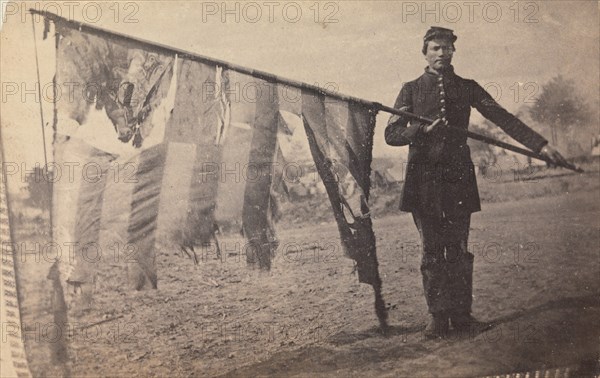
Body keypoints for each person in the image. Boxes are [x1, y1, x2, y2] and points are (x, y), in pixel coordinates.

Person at [385, 27, 568, 339]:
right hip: (424, 181)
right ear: (425, 53)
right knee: (431, 250)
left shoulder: (467, 87)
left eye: (447, 48)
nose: (442, 54)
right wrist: (418, 130)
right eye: (435, 48)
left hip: (458, 180)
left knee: (458, 248)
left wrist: (541, 146)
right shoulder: (410, 90)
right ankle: (437, 318)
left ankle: (462, 316)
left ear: (454, 52)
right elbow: (391, 135)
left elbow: (503, 118)